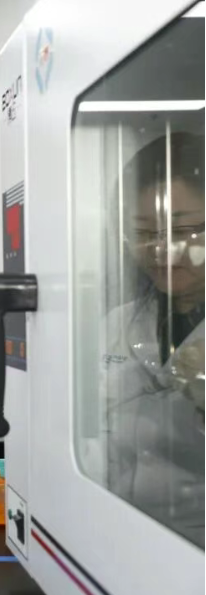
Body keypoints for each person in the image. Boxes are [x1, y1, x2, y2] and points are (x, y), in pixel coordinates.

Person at [104, 131, 204, 548]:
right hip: (114, 537)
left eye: (183, 230)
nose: (162, 250)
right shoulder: (117, 323)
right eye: (144, 233)